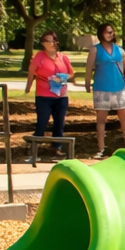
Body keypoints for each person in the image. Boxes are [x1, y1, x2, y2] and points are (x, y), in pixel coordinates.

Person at [83, 23, 125, 158]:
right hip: (102, 89)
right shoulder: (95, 50)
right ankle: (101, 148)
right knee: (101, 120)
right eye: (107, 32)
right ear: (101, 34)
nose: (110, 35)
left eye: (111, 32)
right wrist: (87, 83)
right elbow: (89, 69)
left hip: (120, 89)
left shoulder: (120, 51)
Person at [23, 31, 74, 160]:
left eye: (52, 41)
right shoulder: (39, 57)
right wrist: (28, 87)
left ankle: (57, 149)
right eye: (47, 41)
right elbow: (31, 72)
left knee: (59, 123)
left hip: (61, 95)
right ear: (43, 43)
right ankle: (34, 151)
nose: (50, 43)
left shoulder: (63, 57)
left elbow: (71, 73)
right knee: (42, 122)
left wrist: (63, 78)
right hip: (44, 95)